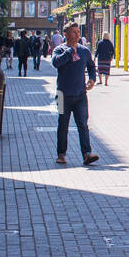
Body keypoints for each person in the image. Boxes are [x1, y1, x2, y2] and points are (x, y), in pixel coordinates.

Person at [52, 22, 99, 166]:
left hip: (80, 95)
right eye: (74, 32)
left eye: (78, 32)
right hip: (62, 95)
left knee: (83, 125)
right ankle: (61, 154)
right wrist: (69, 52)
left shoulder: (84, 51)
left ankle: (86, 154)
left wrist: (92, 79)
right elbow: (56, 63)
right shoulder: (59, 50)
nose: (77, 35)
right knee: (62, 125)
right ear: (65, 34)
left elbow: (91, 67)